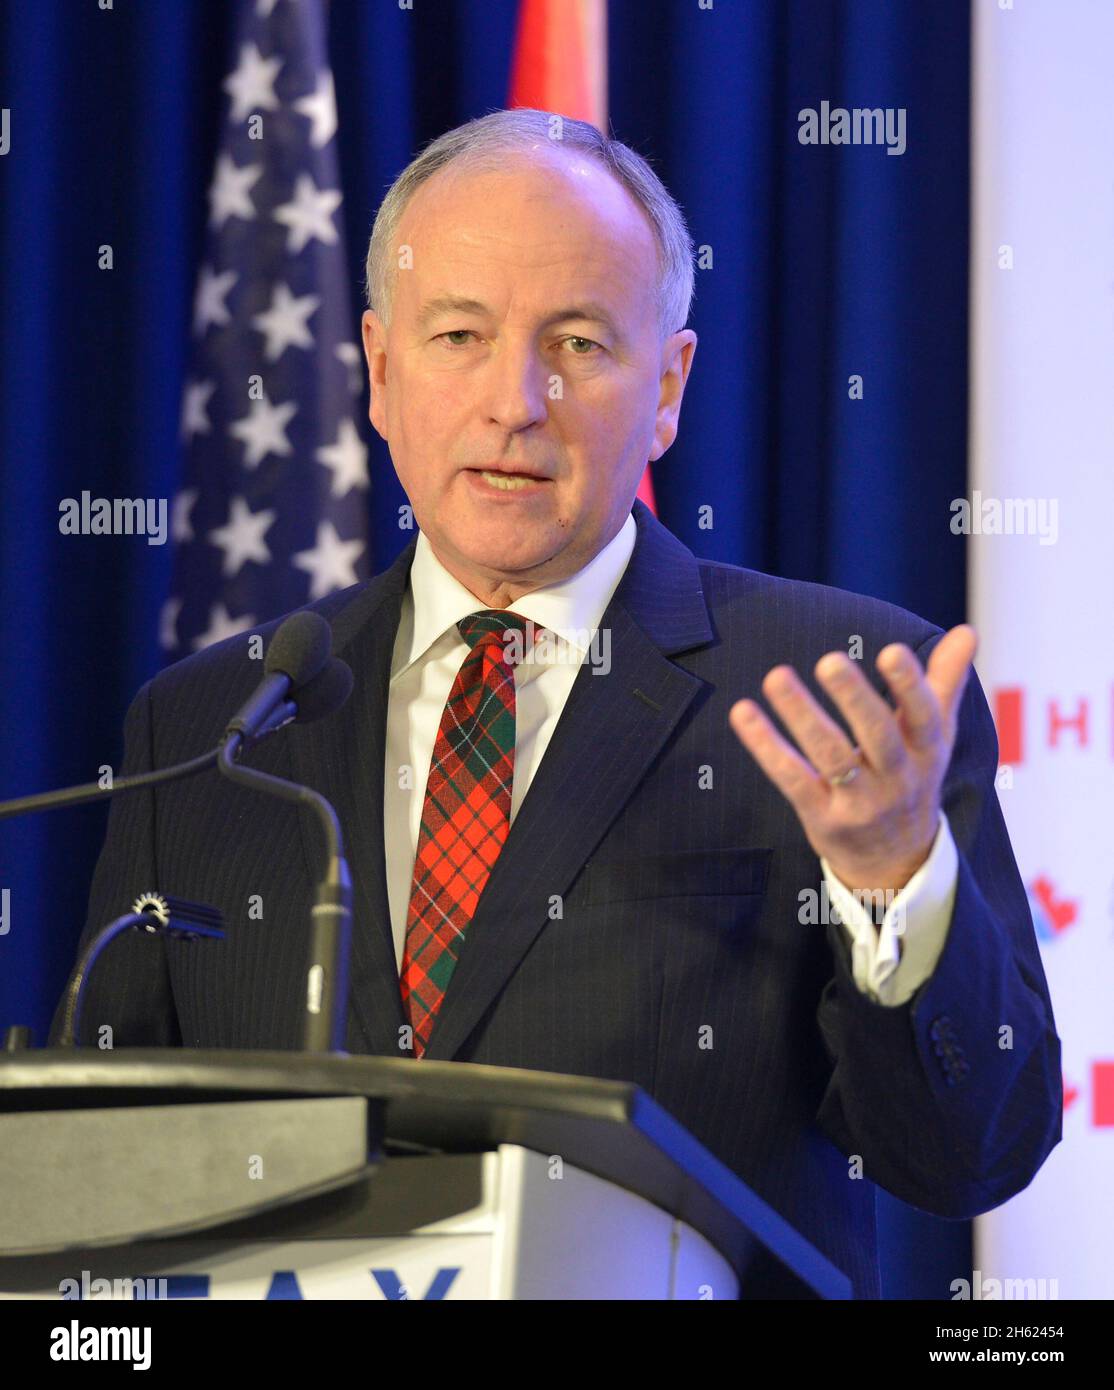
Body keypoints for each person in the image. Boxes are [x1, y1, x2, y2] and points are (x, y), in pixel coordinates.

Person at [53, 109, 1061, 1299]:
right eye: (459, 335)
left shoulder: (833, 692)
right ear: (379, 373)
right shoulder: (213, 722)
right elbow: (93, 1182)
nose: (514, 400)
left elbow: (970, 1156)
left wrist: (894, 875)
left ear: (670, 385)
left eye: (578, 342)